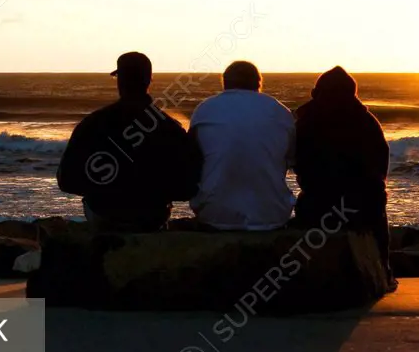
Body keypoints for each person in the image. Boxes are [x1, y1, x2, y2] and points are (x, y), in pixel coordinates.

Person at [57, 52, 201, 232]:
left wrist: (100, 190)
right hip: (151, 217)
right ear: (149, 80)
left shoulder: (93, 124)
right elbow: (188, 187)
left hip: (105, 215)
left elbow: (67, 181)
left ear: (119, 81)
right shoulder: (171, 128)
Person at [293, 66, 392, 277]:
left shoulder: (306, 121)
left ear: (317, 93)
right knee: (375, 196)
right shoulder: (368, 122)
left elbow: (299, 165)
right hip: (363, 210)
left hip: (318, 208)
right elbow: (379, 171)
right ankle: (384, 268)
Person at [189, 61, 295, 230]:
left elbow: (192, 160)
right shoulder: (280, 111)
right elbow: (291, 158)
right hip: (272, 214)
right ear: (258, 83)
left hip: (214, 213)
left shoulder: (205, 109)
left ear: (225, 83)